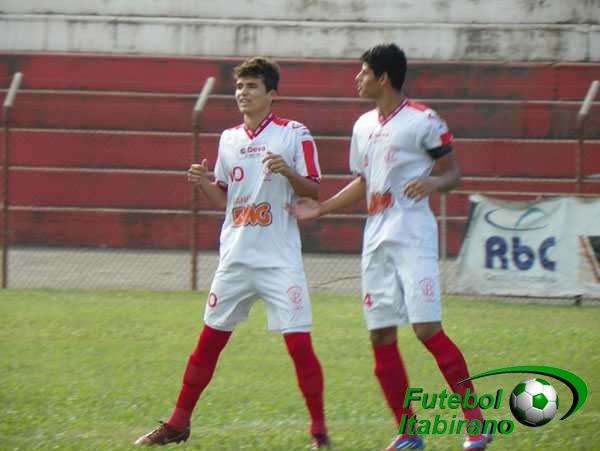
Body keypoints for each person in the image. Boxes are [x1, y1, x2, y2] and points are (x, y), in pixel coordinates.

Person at [288, 44, 491, 451]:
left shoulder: (423, 120)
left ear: (383, 78)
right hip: (375, 238)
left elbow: (452, 173)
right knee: (380, 335)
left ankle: (476, 424)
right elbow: (364, 182)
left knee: (426, 329)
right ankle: (408, 433)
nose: (357, 79)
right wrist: (322, 208)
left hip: (413, 235)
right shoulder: (362, 125)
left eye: (363, 73)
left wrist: (434, 182)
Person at [135, 57, 330, 449]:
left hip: (278, 260)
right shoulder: (228, 139)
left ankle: (319, 433)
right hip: (236, 258)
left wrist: (287, 172)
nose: (243, 93)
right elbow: (226, 200)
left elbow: (313, 191)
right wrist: (202, 183)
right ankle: (177, 423)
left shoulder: (294, 134)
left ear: (271, 93)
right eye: (240, 86)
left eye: (252, 86)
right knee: (208, 343)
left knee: (299, 346)